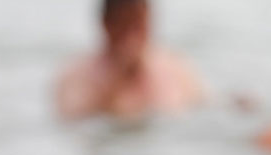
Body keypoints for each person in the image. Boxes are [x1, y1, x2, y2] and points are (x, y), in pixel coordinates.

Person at [56, 0, 203, 119]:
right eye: (124, 24)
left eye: (139, 24)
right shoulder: (77, 74)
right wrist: (117, 75)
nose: (132, 35)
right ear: (106, 23)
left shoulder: (173, 66)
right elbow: (72, 120)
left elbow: (204, 107)